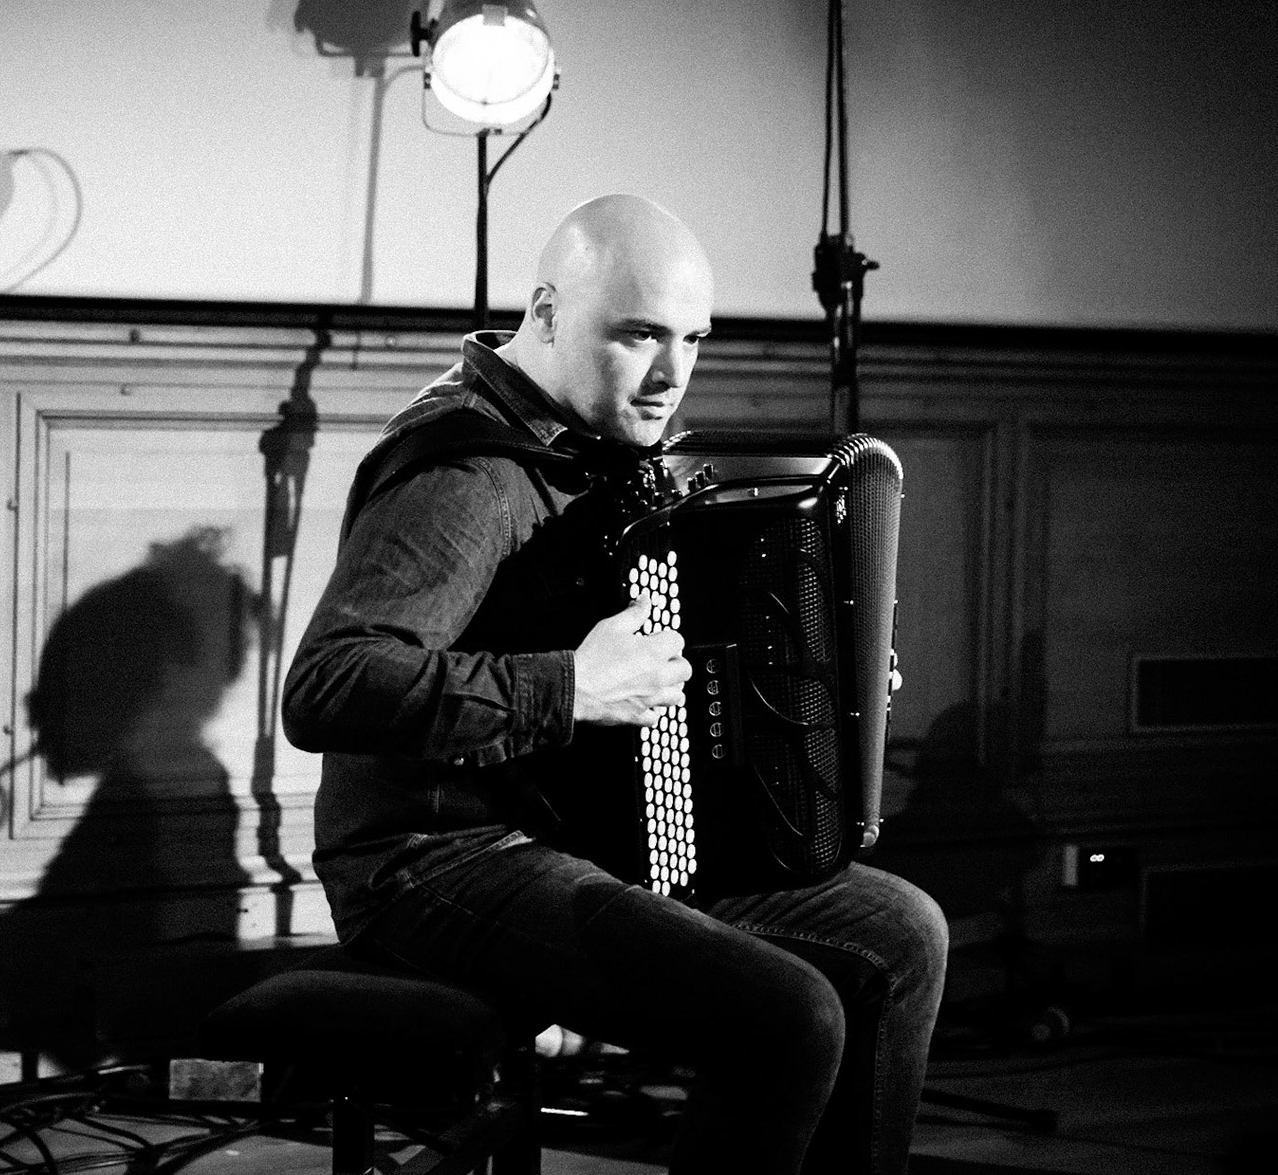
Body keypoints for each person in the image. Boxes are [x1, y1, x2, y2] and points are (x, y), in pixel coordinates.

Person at [281, 194, 948, 1174]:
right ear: (548, 313)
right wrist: (573, 688)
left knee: (900, 932)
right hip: (432, 859)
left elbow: (690, 651)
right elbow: (329, 686)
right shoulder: (467, 476)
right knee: (787, 1014)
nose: (672, 376)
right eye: (639, 336)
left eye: (692, 339)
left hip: (578, 835)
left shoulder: (599, 448)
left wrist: (823, 683)